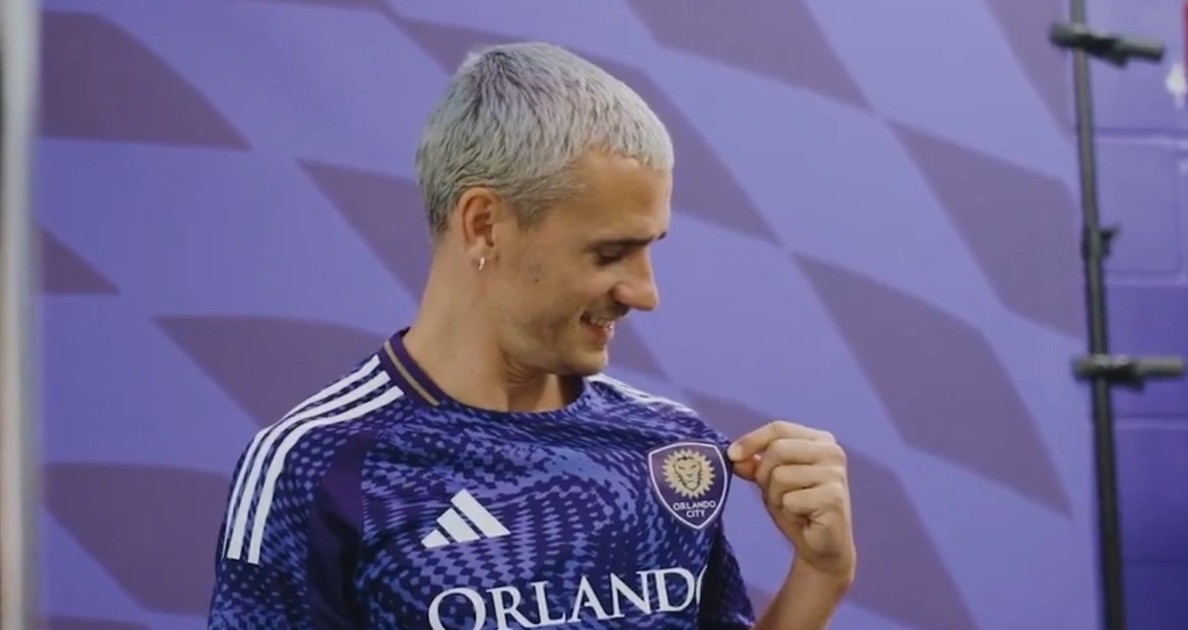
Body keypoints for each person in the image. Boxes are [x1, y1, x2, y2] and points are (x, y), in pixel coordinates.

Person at [206, 41, 855, 629]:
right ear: (484, 225)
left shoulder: (666, 445)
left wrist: (819, 579)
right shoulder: (317, 464)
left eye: (650, 248)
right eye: (610, 253)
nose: (645, 293)